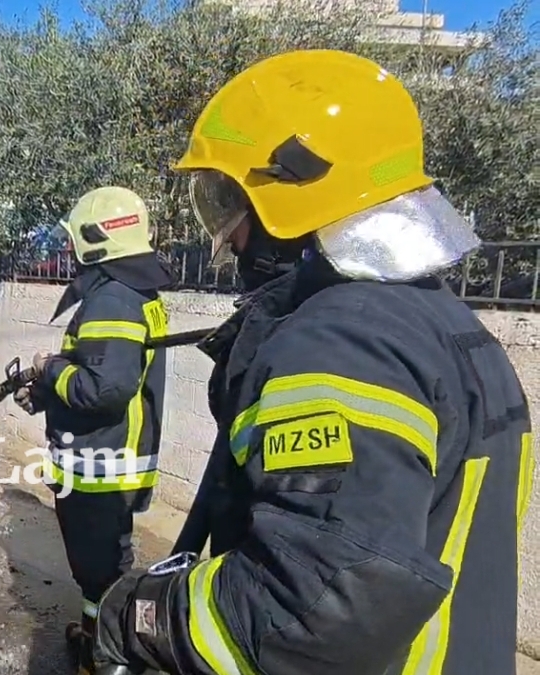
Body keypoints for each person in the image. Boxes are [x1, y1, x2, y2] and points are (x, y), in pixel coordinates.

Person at [89, 49, 532, 675]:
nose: (228, 235)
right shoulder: (442, 327)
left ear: (294, 191)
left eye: (228, 202)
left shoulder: (342, 345)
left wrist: (143, 614)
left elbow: (315, 612)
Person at [11, 186, 174, 675]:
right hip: (106, 462)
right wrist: (47, 392)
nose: (68, 247)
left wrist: (49, 368)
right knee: (95, 569)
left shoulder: (113, 300)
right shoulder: (131, 292)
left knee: (103, 571)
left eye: (74, 237)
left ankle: (107, 659)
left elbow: (104, 390)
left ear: (96, 238)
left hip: (100, 467)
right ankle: (92, 637)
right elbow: (104, 372)